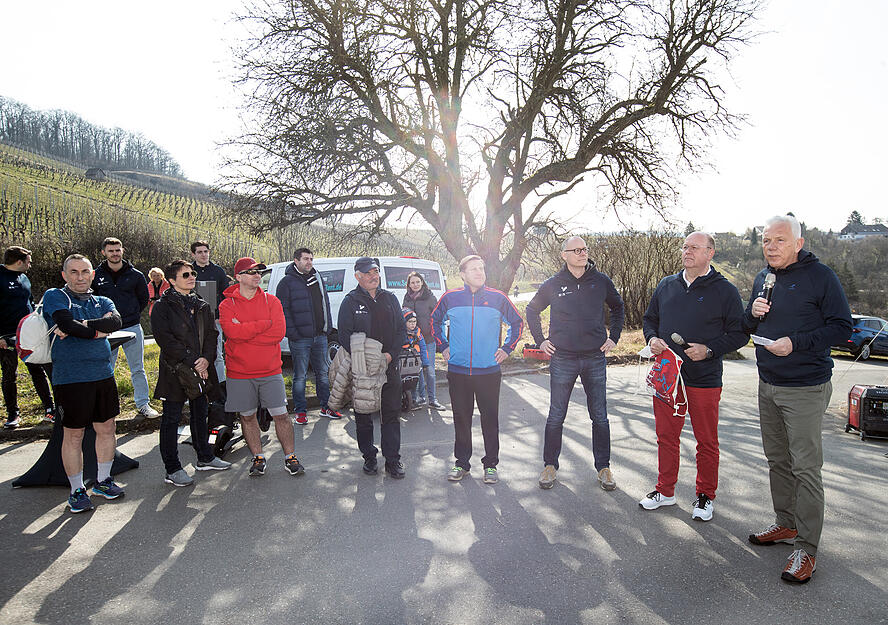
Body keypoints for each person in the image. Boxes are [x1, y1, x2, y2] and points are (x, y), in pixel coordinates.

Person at [742, 214, 851, 584]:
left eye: (779, 240)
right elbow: (747, 325)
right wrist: (751, 313)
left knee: (805, 468)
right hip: (767, 383)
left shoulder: (821, 277)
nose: (771, 247)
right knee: (777, 460)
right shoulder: (762, 278)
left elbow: (842, 327)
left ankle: (807, 548)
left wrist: (797, 343)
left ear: (798, 243)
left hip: (805, 386)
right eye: (766, 241)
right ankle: (786, 524)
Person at [639, 232, 747, 520]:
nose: (687, 251)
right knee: (666, 436)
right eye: (685, 246)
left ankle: (704, 497)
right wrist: (652, 339)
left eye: (695, 247)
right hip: (667, 375)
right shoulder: (667, 285)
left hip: (704, 377)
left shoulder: (725, 290)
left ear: (710, 253)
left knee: (706, 441)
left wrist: (710, 350)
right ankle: (665, 491)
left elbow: (739, 334)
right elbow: (650, 320)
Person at [525, 236, 624, 491]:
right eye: (576, 250)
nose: (582, 253)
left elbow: (618, 307)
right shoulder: (553, 284)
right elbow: (532, 309)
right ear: (564, 255)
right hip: (563, 357)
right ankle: (549, 466)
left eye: (585, 249)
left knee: (599, 415)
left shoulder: (601, 281)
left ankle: (603, 467)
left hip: (594, 357)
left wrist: (613, 337)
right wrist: (540, 341)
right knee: (556, 415)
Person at [432, 254, 523, 484]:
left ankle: (491, 465)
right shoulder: (450, 297)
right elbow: (434, 321)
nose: (480, 272)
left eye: (482, 268)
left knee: (489, 419)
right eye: (474, 269)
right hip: (458, 371)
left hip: (488, 371)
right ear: (462, 274)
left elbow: (517, 322)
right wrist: (443, 345)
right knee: (461, 418)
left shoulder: (498, 297)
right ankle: (462, 463)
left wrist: (507, 348)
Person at [44, 254, 124, 513]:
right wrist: (96, 330)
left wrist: (85, 326)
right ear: (65, 275)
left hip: (103, 374)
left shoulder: (102, 299)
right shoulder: (56, 296)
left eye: (85, 272)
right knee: (74, 434)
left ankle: (102, 481)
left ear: (92, 274)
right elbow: (67, 324)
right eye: (74, 272)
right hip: (71, 378)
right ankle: (77, 489)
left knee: (107, 428)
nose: (80, 277)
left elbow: (115, 322)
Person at [219, 257, 304, 477]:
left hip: (270, 371)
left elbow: (278, 333)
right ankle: (258, 457)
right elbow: (232, 334)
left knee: (282, 416)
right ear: (238, 277)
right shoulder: (226, 305)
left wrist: (246, 331)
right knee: (247, 417)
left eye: (259, 272)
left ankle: (290, 457)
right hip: (239, 373)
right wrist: (263, 325)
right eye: (251, 272)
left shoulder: (272, 301)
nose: (257, 275)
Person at [151, 260, 231, 486]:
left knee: (200, 413)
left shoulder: (202, 304)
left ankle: (205, 457)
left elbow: (212, 335)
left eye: (192, 273)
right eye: (185, 274)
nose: (191, 277)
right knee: (171, 419)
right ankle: (172, 469)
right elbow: (165, 339)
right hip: (175, 369)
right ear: (172, 280)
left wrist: (206, 359)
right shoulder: (162, 306)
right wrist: (193, 360)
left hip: (201, 368)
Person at [338, 257, 407, 478]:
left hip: (388, 366)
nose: (372, 276)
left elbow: (401, 332)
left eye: (375, 272)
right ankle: (369, 457)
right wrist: (367, 359)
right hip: (364, 370)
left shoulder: (389, 299)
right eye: (367, 273)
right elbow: (344, 335)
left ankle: (393, 460)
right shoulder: (350, 301)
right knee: (363, 417)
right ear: (357, 276)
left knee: (391, 415)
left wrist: (389, 355)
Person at [91, 237, 158, 418]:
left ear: (122, 251)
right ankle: (107, 406)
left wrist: (131, 313)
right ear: (104, 252)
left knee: (138, 367)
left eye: (117, 250)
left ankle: (143, 404)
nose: (115, 253)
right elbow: (92, 300)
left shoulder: (136, 275)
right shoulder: (95, 275)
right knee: (106, 368)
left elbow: (143, 299)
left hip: (132, 326)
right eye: (111, 250)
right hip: (106, 330)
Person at [277, 247, 341, 425]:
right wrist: (293, 334)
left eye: (311, 259)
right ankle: (300, 411)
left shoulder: (317, 277)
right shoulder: (287, 282)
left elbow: (324, 303)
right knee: (300, 376)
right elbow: (283, 311)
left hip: (320, 336)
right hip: (300, 339)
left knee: (322, 373)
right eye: (306, 259)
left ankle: (326, 407)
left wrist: (326, 328)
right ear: (296, 261)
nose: (309, 262)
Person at [1, 246, 55, 428]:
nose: (30, 265)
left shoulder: (24, 277)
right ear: (19, 262)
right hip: (6, 336)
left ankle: (50, 410)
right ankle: (13, 415)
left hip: (29, 335)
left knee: (38, 370)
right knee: (10, 375)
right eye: (28, 261)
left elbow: (30, 302)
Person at [402, 271, 444, 409]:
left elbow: (439, 315)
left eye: (418, 282)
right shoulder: (407, 298)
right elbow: (404, 315)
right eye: (412, 282)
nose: (415, 285)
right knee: (416, 371)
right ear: (409, 284)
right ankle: (420, 398)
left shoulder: (429, 297)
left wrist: (434, 331)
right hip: (412, 341)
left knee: (430, 369)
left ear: (422, 283)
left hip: (427, 339)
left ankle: (433, 400)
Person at [191, 240, 230, 384]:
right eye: (200, 252)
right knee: (195, 355)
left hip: (215, 320)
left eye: (206, 251)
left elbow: (225, 295)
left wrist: (220, 316)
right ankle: (196, 388)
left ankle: (221, 388)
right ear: (193, 254)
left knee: (217, 354)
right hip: (193, 321)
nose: (203, 255)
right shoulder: (188, 271)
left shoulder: (218, 271)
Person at [401, 308, 431, 409]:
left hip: (417, 361)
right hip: (404, 362)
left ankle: (421, 398)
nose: (412, 324)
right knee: (407, 380)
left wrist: (425, 362)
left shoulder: (418, 333)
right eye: (410, 322)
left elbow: (423, 348)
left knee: (420, 379)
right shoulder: (401, 333)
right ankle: (411, 399)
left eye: (414, 321)